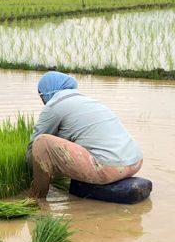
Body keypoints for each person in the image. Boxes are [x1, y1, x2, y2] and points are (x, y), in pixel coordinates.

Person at [26, 71, 142, 199]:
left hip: (110, 168)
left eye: (41, 96)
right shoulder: (86, 100)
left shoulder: (53, 105)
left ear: (47, 92)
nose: (43, 101)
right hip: (135, 162)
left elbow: (33, 148)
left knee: (41, 142)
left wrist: (25, 169)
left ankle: (36, 198)